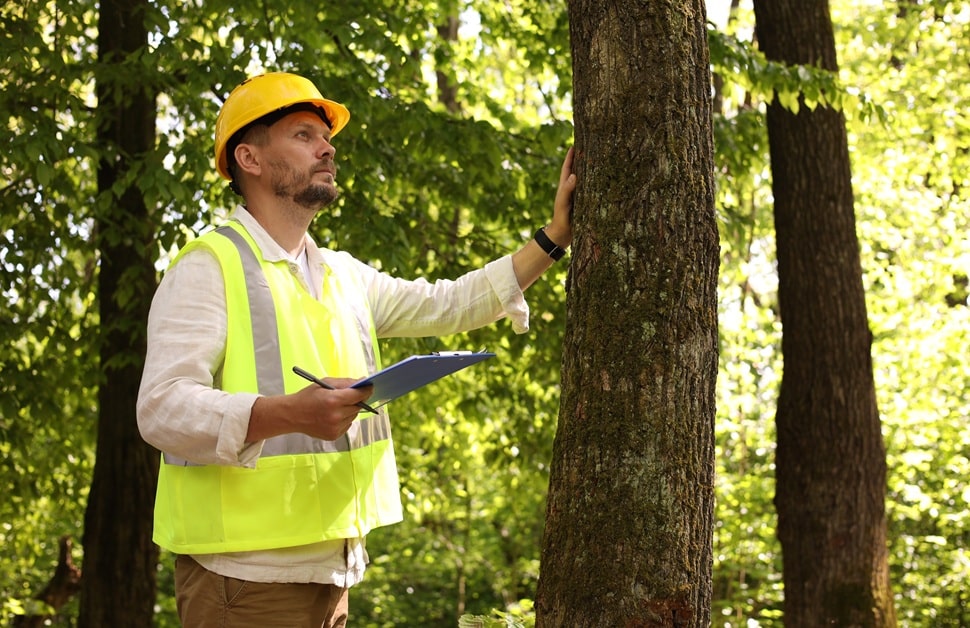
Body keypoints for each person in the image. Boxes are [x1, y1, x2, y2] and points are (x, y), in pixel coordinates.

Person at [136, 71, 575, 628]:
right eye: (303, 135)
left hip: (334, 578)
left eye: (326, 138)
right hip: (244, 584)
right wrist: (287, 413)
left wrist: (553, 237)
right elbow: (161, 407)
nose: (327, 148)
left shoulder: (343, 276)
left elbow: (452, 304)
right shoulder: (208, 266)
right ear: (249, 158)